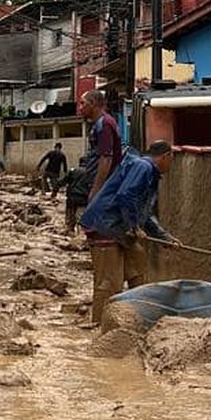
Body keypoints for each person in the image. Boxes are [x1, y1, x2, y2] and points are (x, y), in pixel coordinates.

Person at [79, 140, 178, 329]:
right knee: (109, 282)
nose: (171, 164)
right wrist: (134, 227)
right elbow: (126, 195)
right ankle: (101, 327)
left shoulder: (149, 173)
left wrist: (164, 237)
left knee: (138, 267)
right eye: (172, 158)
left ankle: (138, 317)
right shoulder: (143, 166)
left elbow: (145, 214)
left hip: (120, 229)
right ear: (166, 156)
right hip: (105, 226)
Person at [79, 89, 122, 202]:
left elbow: (106, 158)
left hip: (105, 185)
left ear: (92, 103)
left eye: (83, 103)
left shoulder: (104, 124)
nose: (80, 108)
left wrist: (96, 190)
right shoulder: (100, 123)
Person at [51, 155, 91, 234]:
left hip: (71, 198)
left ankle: (69, 234)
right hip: (83, 199)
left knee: (70, 220)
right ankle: (80, 236)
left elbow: (61, 182)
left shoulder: (72, 171)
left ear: (79, 163)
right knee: (81, 218)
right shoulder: (90, 173)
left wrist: (54, 192)